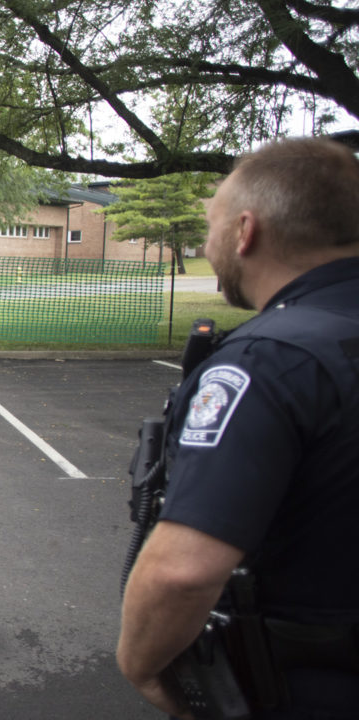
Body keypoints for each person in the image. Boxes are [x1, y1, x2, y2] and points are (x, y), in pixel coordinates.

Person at [117, 137, 359, 718]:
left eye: (212, 225)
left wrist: (141, 663)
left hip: (312, 685)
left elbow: (182, 571)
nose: (207, 243)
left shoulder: (270, 361)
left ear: (244, 231)